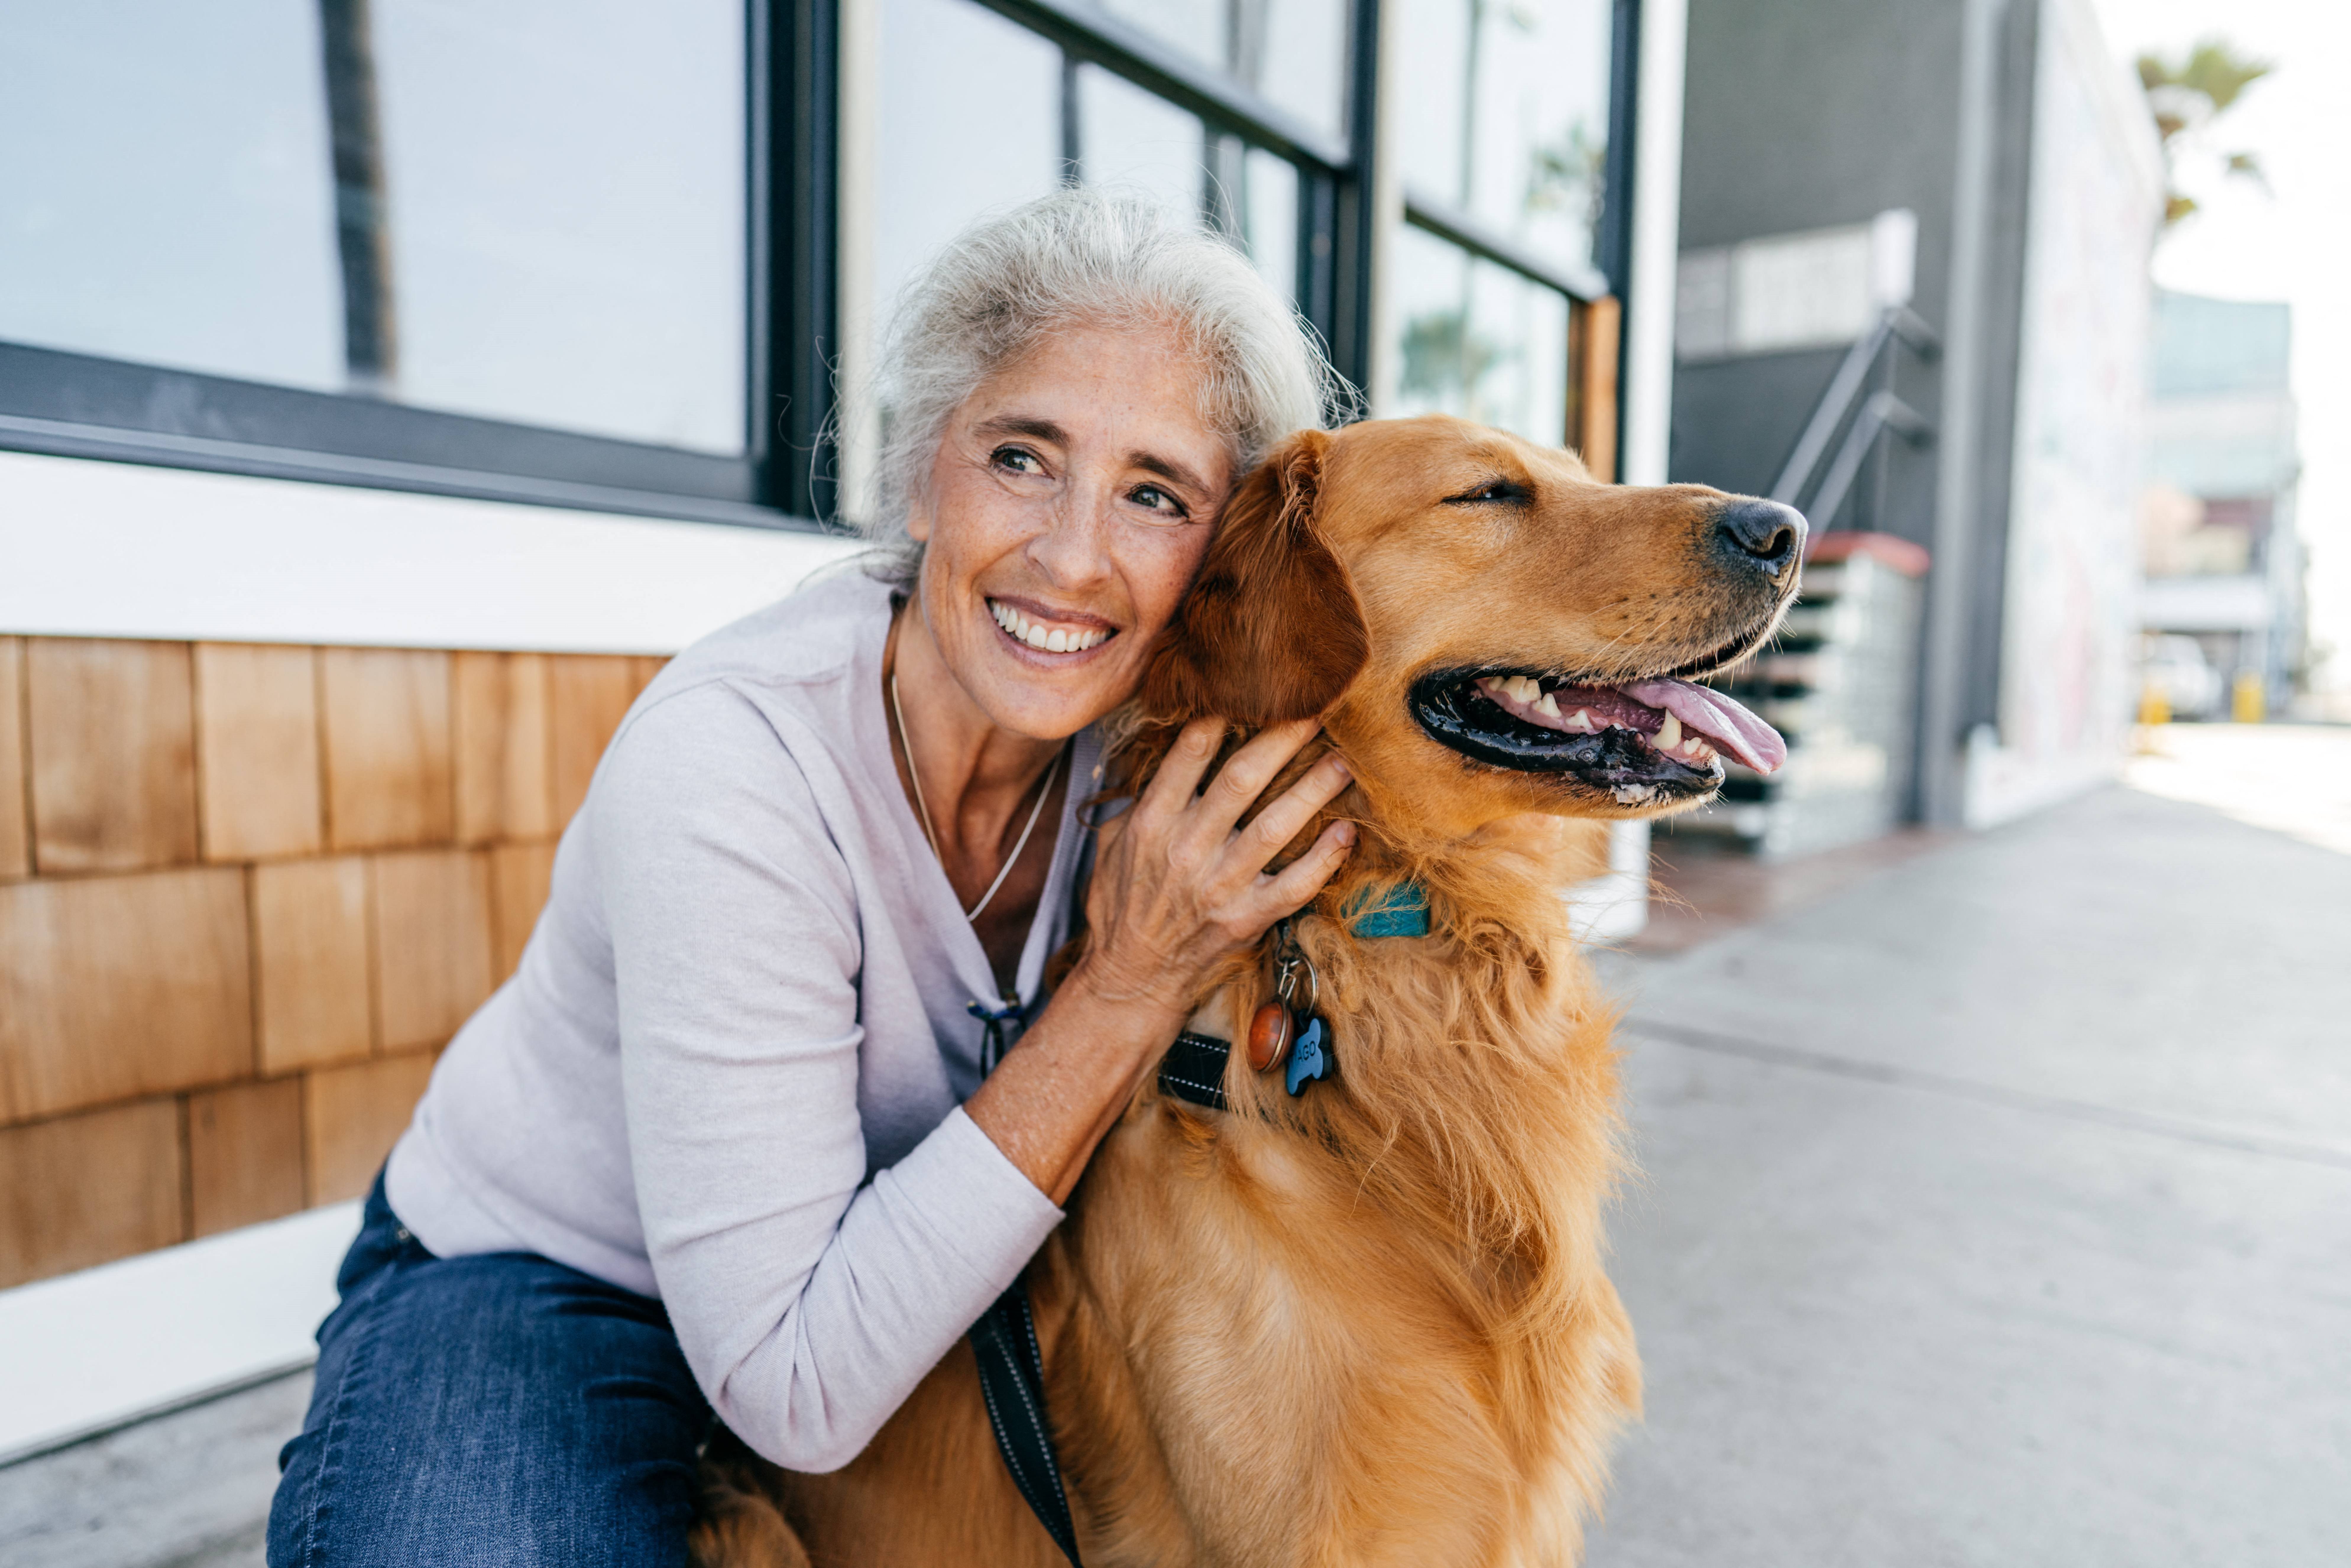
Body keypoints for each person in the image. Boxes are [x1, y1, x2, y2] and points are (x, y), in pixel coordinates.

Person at [266, 189, 1360, 1565]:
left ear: (1215, 551)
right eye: (1022, 458)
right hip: (553, 1278)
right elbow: (795, 1387)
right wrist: (1128, 984)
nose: (1073, 557)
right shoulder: (732, 762)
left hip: (929, 1289)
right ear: (919, 474)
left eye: (1155, 493)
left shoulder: (1158, 747)